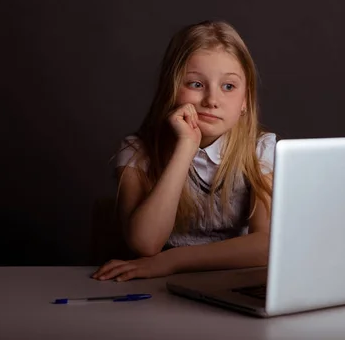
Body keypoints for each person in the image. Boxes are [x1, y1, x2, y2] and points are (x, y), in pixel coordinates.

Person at [92, 20, 276, 282]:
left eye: (228, 86)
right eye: (196, 84)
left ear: (245, 100)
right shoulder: (137, 151)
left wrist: (173, 260)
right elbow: (145, 244)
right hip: (157, 286)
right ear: (172, 89)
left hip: (232, 280)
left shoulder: (260, 150)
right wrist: (185, 148)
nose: (212, 100)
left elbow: (265, 245)